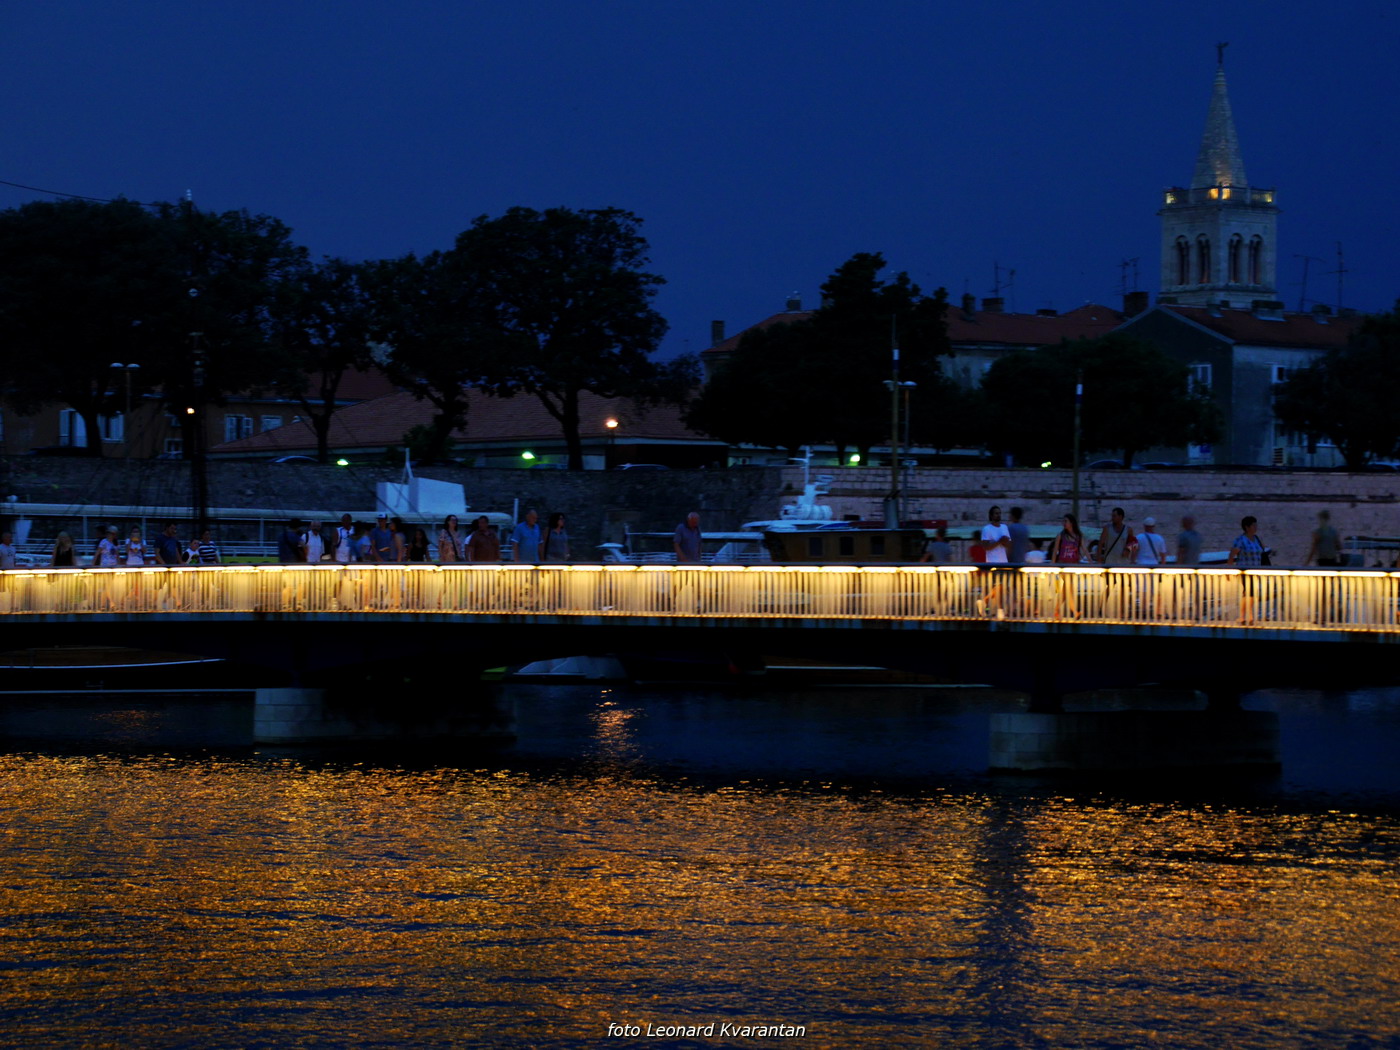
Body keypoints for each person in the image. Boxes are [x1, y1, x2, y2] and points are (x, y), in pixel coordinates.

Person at [1228, 515, 1266, 623]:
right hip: (1244, 570)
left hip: (1256, 570)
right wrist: (1228, 569)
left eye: (1256, 525)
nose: (1256, 527)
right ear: (1247, 527)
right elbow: (1232, 554)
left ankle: (1246, 615)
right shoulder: (1241, 540)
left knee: (1250, 592)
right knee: (1249, 591)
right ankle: (1245, 615)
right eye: (1253, 525)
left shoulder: (1257, 539)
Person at [976, 505, 1011, 617]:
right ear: (991, 515)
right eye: (996, 513)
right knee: (999, 585)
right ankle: (1000, 610)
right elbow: (986, 547)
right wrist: (999, 541)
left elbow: (1009, 544)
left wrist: (1003, 542)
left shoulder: (1004, 527)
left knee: (1001, 586)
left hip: (1003, 561)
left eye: (999, 513)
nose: (998, 515)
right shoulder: (987, 529)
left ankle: (984, 601)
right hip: (993, 561)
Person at [1050, 512, 1084, 619]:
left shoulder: (1077, 537)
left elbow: (1083, 549)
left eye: (1066, 521)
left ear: (1071, 523)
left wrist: (1092, 563)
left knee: (1066, 590)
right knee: (1068, 587)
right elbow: (1055, 551)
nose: (1064, 523)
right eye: (1063, 521)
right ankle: (1074, 612)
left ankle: (1056, 611)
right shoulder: (1061, 536)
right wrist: (1052, 564)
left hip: (1073, 566)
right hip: (1063, 565)